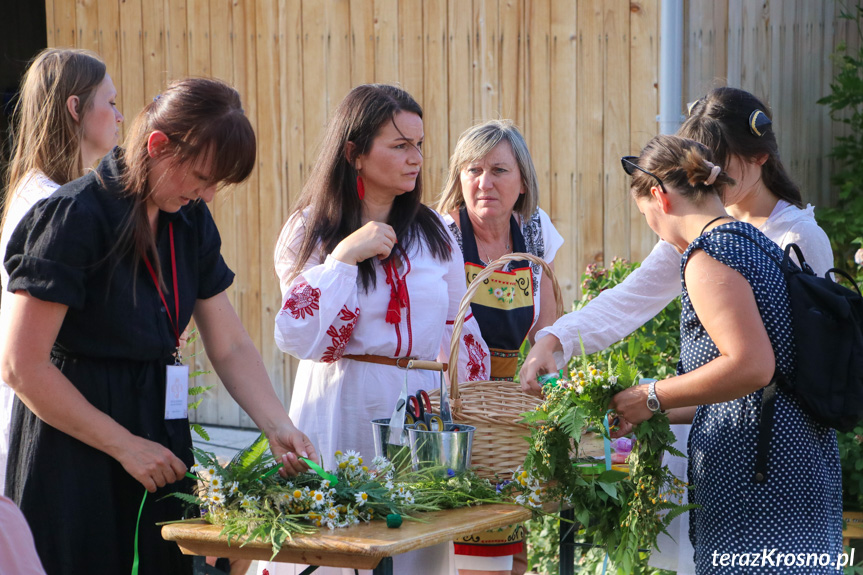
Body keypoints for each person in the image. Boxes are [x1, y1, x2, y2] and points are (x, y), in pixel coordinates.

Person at [2, 77, 317, 575]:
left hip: (157, 434)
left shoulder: (188, 219)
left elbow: (230, 343)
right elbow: (22, 366)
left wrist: (278, 425)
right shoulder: (71, 217)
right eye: (202, 176)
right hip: (76, 443)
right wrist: (124, 445)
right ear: (156, 146)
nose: (209, 195)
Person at [519, 87, 834, 573]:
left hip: (763, 462)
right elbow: (632, 298)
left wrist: (651, 396)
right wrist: (556, 337)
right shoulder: (736, 237)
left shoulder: (724, 249)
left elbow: (759, 369)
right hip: (773, 456)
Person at [265, 84, 487, 575]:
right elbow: (300, 338)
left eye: (420, 145)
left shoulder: (436, 231)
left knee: (415, 547)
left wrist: (473, 416)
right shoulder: (310, 230)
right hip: (343, 403)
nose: (417, 158)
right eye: (400, 145)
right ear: (354, 153)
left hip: (422, 407)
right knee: (341, 545)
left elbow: (460, 330)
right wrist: (345, 257)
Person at [607, 134, 841, 573]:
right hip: (798, 463)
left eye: (646, 217)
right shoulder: (754, 243)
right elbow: (749, 384)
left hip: (758, 481)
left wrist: (652, 394)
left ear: (660, 196)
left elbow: (751, 366)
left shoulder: (708, 254)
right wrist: (644, 406)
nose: (653, 228)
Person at [436, 119, 563, 575]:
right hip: (459, 407)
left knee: (513, 533)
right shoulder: (442, 236)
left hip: (514, 408)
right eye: (472, 170)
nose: (484, 182)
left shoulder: (535, 232)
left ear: (523, 180)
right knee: (473, 537)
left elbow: (548, 325)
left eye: (498, 170)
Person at [0, 47, 124, 492]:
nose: (120, 116)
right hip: (42, 418)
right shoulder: (50, 203)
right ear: (75, 107)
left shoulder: (44, 191)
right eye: (110, 103)